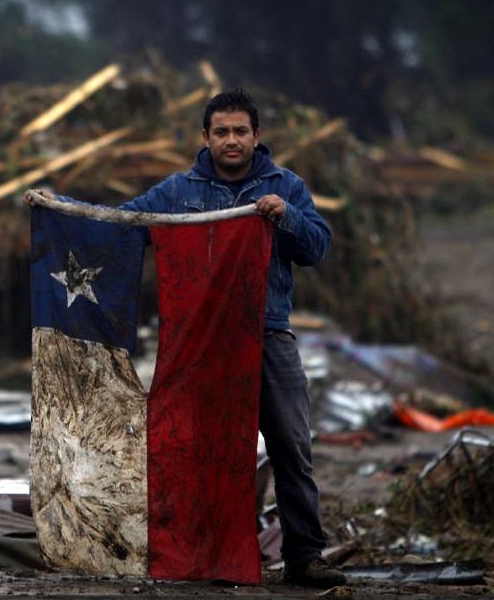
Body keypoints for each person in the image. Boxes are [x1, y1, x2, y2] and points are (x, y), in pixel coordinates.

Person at [25, 89, 345, 588]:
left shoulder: (286, 185)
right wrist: (58, 209)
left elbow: (317, 248)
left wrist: (286, 215)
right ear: (206, 137)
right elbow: (122, 226)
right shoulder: (178, 191)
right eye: (222, 132)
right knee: (195, 449)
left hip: (267, 335)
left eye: (241, 131)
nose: (231, 140)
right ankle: (201, 554)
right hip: (199, 345)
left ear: (257, 137)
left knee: (291, 448)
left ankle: (304, 556)